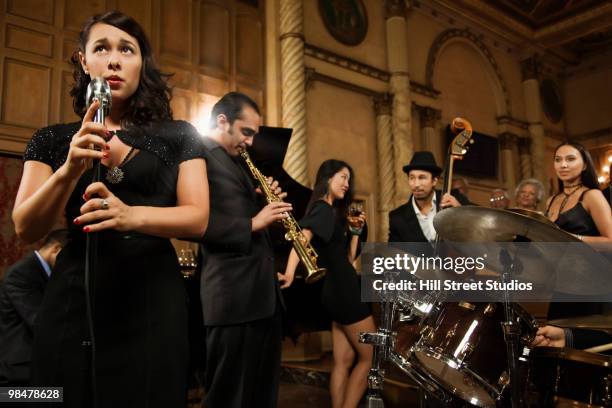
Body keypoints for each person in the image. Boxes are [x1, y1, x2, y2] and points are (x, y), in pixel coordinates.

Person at [12, 11, 209, 408]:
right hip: (73, 298)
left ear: (142, 65)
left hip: (153, 300)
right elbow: (25, 228)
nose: (114, 60)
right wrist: (69, 169)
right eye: (101, 48)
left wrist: (130, 215)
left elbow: (198, 218)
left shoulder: (179, 135)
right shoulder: (50, 139)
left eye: (127, 50)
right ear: (84, 61)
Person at [198, 92, 290, 408]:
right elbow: (199, 224)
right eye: (246, 132)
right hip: (233, 298)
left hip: (260, 297)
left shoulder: (237, 162)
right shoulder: (200, 156)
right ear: (223, 121)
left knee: (259, 395)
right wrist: (254, 222)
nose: (250, 142)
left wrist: (264, 202)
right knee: (227, 397)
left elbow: (241, 215)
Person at [281, 159, 374, 408]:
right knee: (370, 358)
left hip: (334, 291)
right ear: (327, 179)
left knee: (343, 360)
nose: (347, 183)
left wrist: (355, 234)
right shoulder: (323, 208)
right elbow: (301, 238)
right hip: (345, 292)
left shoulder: (331, 212)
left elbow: (346, 260)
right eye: (342, 177)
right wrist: (289, 273)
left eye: (349, 179)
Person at [535, 141, 612, 347]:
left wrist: (572, 239)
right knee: (555, 350)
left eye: (570, 159)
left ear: (584, 165)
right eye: (558, 160)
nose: (563, 165)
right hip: (562, 287)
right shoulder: (552, 200)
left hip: (592, 287)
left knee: (586, 352)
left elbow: (611, 241)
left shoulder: (592, 196)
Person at [0, 229, 68, 385]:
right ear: (56, 249)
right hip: (18, 376)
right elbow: (39, 322)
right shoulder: (22, 274)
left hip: (36, 370)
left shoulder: (45, 273)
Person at [388, 151, 465, 249]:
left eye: (422, 178)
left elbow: (482, 224)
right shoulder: (397, 218)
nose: (416, 184)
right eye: (412, 178)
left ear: (434, 181)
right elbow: (393, 256)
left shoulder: (455, 198)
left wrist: (462, 212)